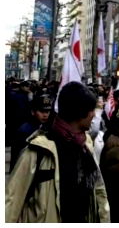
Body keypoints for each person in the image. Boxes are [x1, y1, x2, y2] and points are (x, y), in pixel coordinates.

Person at [6, 82, 110, 223]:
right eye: (92, 110)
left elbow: (98, 192)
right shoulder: (38, 151)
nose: (94, 115)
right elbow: (11, 202)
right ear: (80, 112)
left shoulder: (86, 146)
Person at [11, 95, 52, 168]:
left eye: (47, 111)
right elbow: (16, 156)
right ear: (33, 112)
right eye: (42, 111)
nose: (45, 115)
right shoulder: (24, 130)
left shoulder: (48, 127)